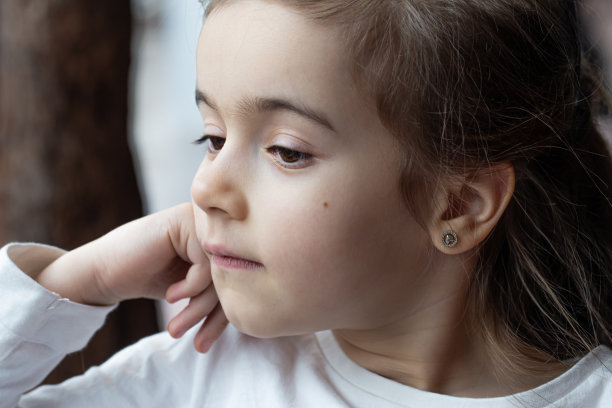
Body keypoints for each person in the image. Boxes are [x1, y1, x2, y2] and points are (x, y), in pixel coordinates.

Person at [1, 0, 611, 406]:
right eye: (212, 138)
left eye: (287, 152)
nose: (205, 188)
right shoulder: (193, 379)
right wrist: (82, 278)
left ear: (458, 204)